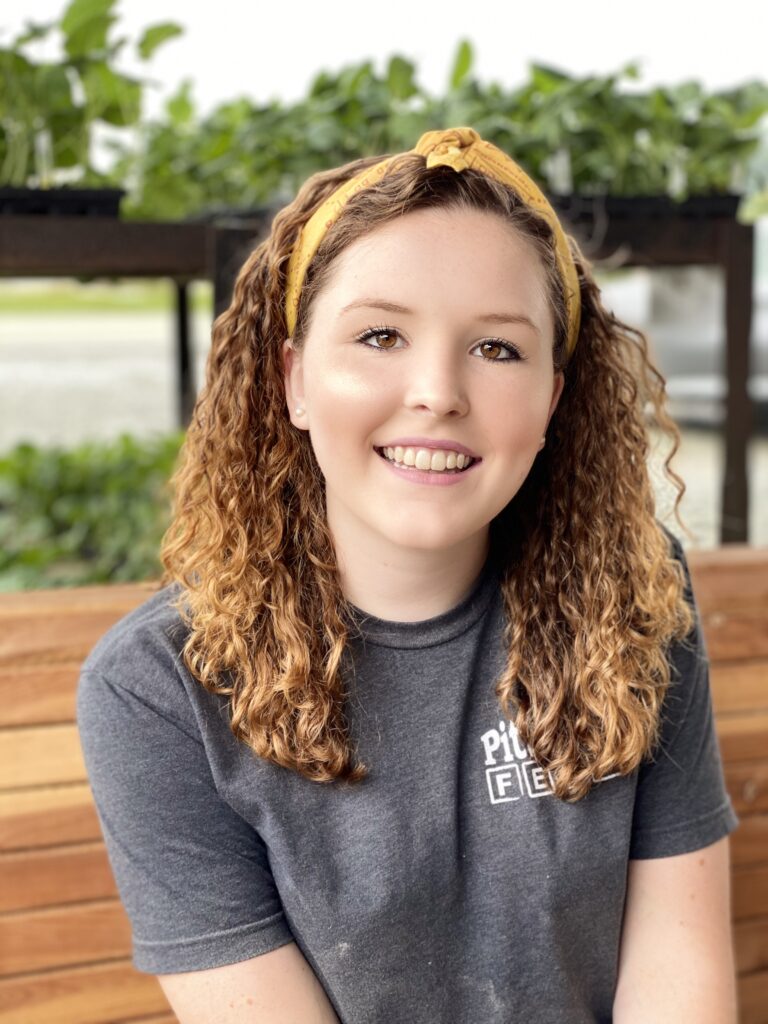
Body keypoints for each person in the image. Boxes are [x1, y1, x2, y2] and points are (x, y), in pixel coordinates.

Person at [77, 127, 740, 1024]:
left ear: (551, 398)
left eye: (497, 348)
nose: (437, 391)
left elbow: (678, 976)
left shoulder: (637, 592)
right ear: (295, 381)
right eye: (381, 334)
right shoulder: (158, 690)